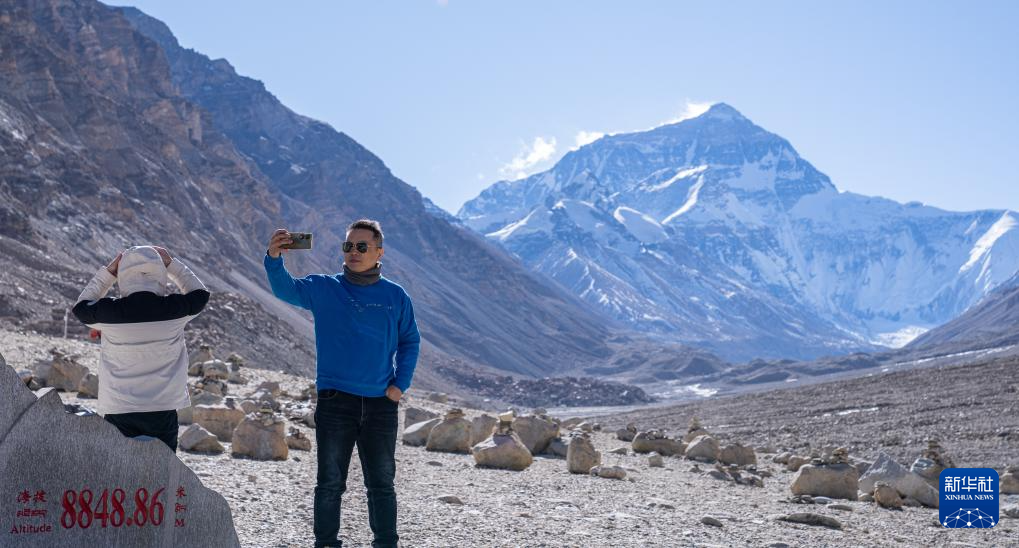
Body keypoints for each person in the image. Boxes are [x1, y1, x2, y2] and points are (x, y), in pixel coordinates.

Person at [264, 219, 420, 548]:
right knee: (330, 482)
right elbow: (285, 289)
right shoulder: (325, 288)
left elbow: (410, 341)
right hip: (336, 402)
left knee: (381, 483)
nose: (354, 252)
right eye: (348, 245)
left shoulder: (395, 296)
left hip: (381, 404)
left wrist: (399, 385)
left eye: (362, 246)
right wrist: (274, 258)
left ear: (379, 252)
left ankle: (386, 544)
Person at [72, 246, 209, 451]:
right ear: (160, 276)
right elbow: (200, 295)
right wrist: (172, 265)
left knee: (118, 466)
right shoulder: (175, 309)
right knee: (162, 467)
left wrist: (108, 273)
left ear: (123, 277)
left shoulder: (110, 312)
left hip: (119, 407)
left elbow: (81, 307)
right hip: (162, 408)